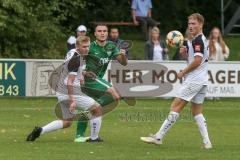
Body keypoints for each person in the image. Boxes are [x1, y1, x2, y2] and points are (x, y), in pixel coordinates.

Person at [140, 13, 212, 149]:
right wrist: (185, 53)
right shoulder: (198, 40)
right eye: (189, 24)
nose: (190, 26)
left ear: (201, 24)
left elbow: (197, 61)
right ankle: (207, 142)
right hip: (202, 80)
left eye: (194, 24)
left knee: (175, 106)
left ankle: (158, 137)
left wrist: (183, 72)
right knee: (197, 111)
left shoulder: (198, 40)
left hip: (194, 80)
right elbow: (195, 58)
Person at [26, 36, 103, 142]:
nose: (87, 49)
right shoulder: (76, 60)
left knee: (67, 122)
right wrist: (72, 101)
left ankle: (40, 130)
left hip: (61, 91)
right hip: (70, 91)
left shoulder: (72, 52)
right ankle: (94, 138)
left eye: (88, 46)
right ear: (77, 46)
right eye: (84, 46)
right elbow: (69, 82)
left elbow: (70, 70)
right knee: (97, 109)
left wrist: (84, 73)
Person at [75, 24, 134, 142]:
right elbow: (78, 60)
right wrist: (82, 73)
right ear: (95, 34)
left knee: (90, 108)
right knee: (116, 94)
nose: (102, 33)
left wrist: (123, 54)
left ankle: (80, 135)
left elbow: (124, 63)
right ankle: (92, 134)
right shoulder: (90, 47)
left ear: (107, 33)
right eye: (99, 31)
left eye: (104, 31)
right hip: (90, 80)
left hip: (97, 81)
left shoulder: (111, 46)